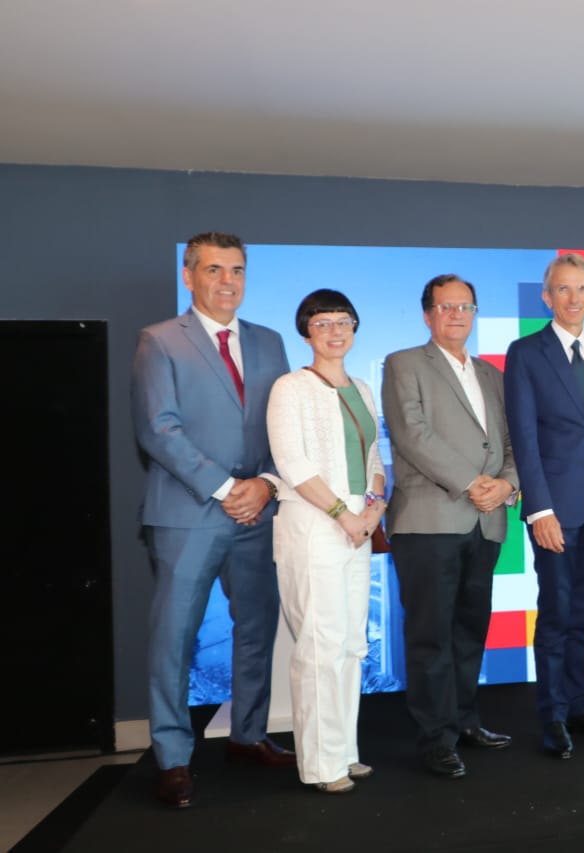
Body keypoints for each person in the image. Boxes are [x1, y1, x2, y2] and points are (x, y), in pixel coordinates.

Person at [131, 231, 294, 808]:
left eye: (237, 270)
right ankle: (173, 758)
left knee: (257, 628)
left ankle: (248, 736)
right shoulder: (159, 341)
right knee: (174, 638)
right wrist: (227, 489)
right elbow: (159, 431)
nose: (228, 281)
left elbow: (284, 427)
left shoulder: (271, 342)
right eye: (214, 269)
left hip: (259, 511)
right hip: (188, 513)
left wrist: (266, 484)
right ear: (189, 275)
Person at [382, 274, 520, 777]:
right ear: (428, 315)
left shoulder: (492, 375)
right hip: (429, 521)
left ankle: (465, 720)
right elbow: (412, 435)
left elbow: (513, 441)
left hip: (486, 522)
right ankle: (435, 737)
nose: (457, 314)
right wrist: (473, 482)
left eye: (465, 306)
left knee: (469, 630)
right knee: (430, 635)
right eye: (446, 306)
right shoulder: (404, 364)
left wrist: (506, 485)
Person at [504, 254, 584, 760]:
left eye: (581, 289)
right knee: (556, 614)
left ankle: (581, 706)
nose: (573, 298)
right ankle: (553, 716)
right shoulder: (525, 352)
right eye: (563, 289)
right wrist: (539, 510)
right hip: (555, 508)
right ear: (546, 296)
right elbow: (524, 435)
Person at [266, 289, 386, 793]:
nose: (335, 331)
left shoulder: (363, 387)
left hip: (358, 527)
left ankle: (343, 752)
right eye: (322, 323)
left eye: (343, 321)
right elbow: (291, 463)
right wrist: (342, 514)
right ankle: (319, 765)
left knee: (350, 643)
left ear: (355, 328)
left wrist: (373, 508)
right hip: (314, 525)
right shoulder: (290, 387)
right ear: (306, 332)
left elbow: (374, 457)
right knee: (319, 644)